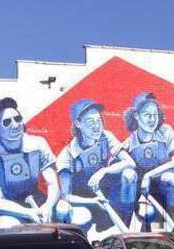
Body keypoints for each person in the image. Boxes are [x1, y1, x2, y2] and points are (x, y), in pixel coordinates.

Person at [0, 97, 60, 228]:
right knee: (9, 225)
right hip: (7, 209)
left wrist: (48, 206)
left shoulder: (38, 144)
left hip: (37, 201)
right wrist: (28, 213)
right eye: (7, 122)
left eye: (17, 119)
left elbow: (53, 184)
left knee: (68, 211)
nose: (15, 124)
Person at [55, 98, 136, 233]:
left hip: (107, 197)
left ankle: (126, 230)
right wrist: (93, 201)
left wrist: (104, 171)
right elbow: (66, 196)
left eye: (98, 120)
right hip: (85, 202)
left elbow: (130, 163)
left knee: (130, 175)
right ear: (78, 124)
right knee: (67, 210)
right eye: (90, 122)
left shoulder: (106, 136)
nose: (96, 126)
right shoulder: (66, 155)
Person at [121, 92, 174, 227]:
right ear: (136, 116)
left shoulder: (166, 131)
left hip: (160, 186)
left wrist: (148, 176)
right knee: (127, 175)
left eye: (155, 114)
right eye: (147, 115)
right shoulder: (127, 144)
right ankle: (125, 227)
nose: (152, 119)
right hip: (138, 192)